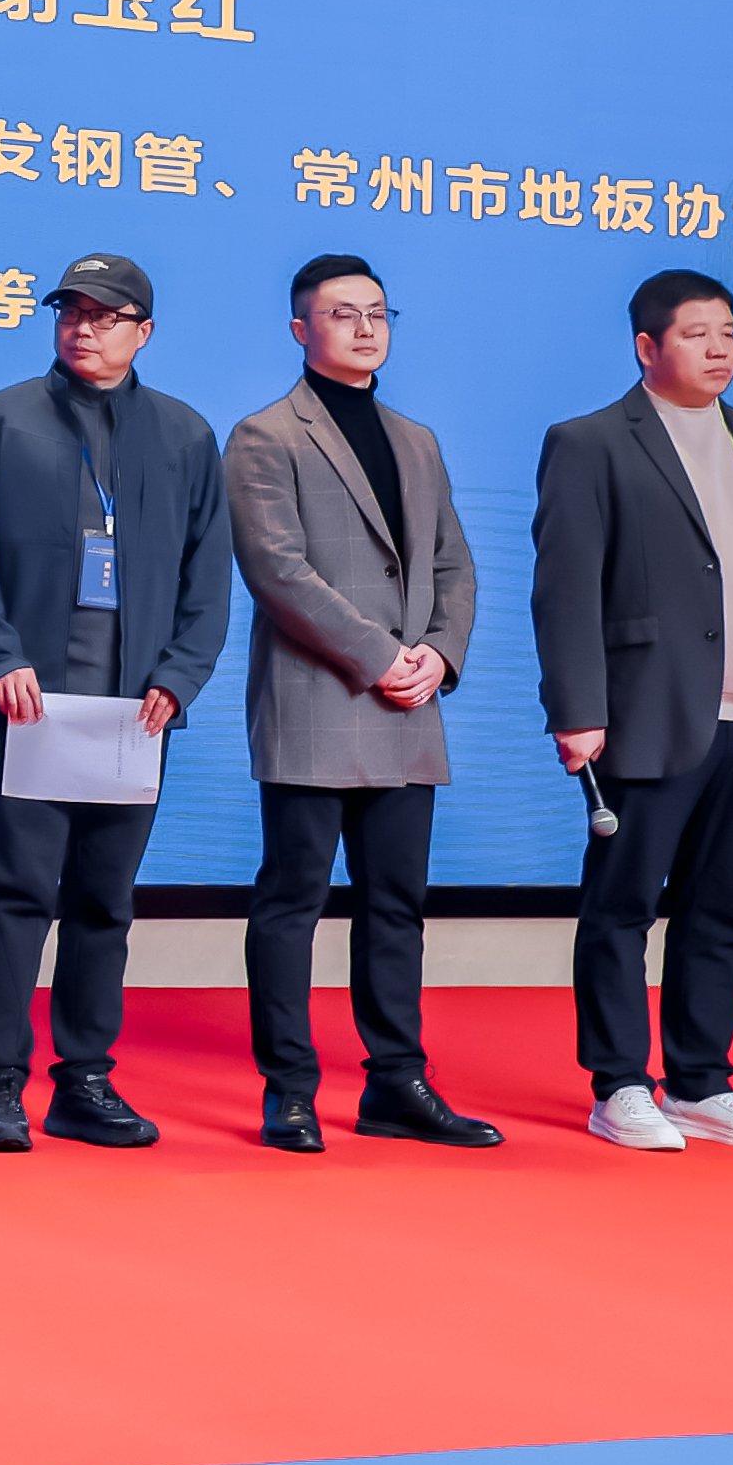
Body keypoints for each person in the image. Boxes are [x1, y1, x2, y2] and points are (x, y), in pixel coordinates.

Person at [0, 251, 231, 1152]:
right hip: (34, 706)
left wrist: (180, 675)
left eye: (106, 317)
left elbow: (208, 574)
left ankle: (85, 1082)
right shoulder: (2, 420)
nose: (84, 329)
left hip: (135, 712)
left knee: (105, 901)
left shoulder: (184, 435)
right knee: (17, 895)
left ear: (144, 332)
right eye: (71, 312)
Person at [533, 268, 733, 1154]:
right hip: (647, 715)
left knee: (723, 912)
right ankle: (619, 1084)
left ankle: (701, 1083)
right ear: (646, 347)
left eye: (727, 331)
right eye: (697, 334)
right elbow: (565, 589)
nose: (719, 348)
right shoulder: (590, 442)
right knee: (621, 908)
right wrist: (577, 709)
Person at [222, 255, 495, 1153]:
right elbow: (277, 572)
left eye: (378, 312)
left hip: (410, 704)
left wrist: (440, 655)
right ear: (300, 330)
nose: (366, 327)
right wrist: (382, 656)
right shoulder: (266, 435)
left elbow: (453, 563)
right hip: (319, 697)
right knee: (292, 901)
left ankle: (397, 1083)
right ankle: (289, 1090)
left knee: (396, 905)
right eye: (343, 314)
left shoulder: (416, 439)